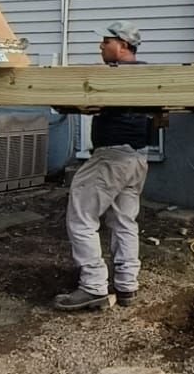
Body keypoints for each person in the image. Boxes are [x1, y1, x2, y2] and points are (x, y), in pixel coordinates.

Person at [53, 21, 161, 312]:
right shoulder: (149, 75)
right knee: (124, 221)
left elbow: (87, 99)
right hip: (137, 158)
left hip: (112, 158)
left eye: (106, 41)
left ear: (123, 45)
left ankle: (93, 287)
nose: (100, 46)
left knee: (81, 217)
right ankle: (127, 285)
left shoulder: (116, 76)